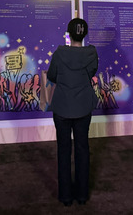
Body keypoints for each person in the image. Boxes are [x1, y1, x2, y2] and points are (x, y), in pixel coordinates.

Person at [47, 18, 98, 206]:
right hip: (83, 106)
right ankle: (82, 195)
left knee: (63, 149)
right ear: (84, 34)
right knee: (83, 149)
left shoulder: (59, 53)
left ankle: (66, 196)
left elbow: (52, 75)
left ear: (68, 34)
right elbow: (91, 73)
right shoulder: (92, 53)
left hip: (61, 107)